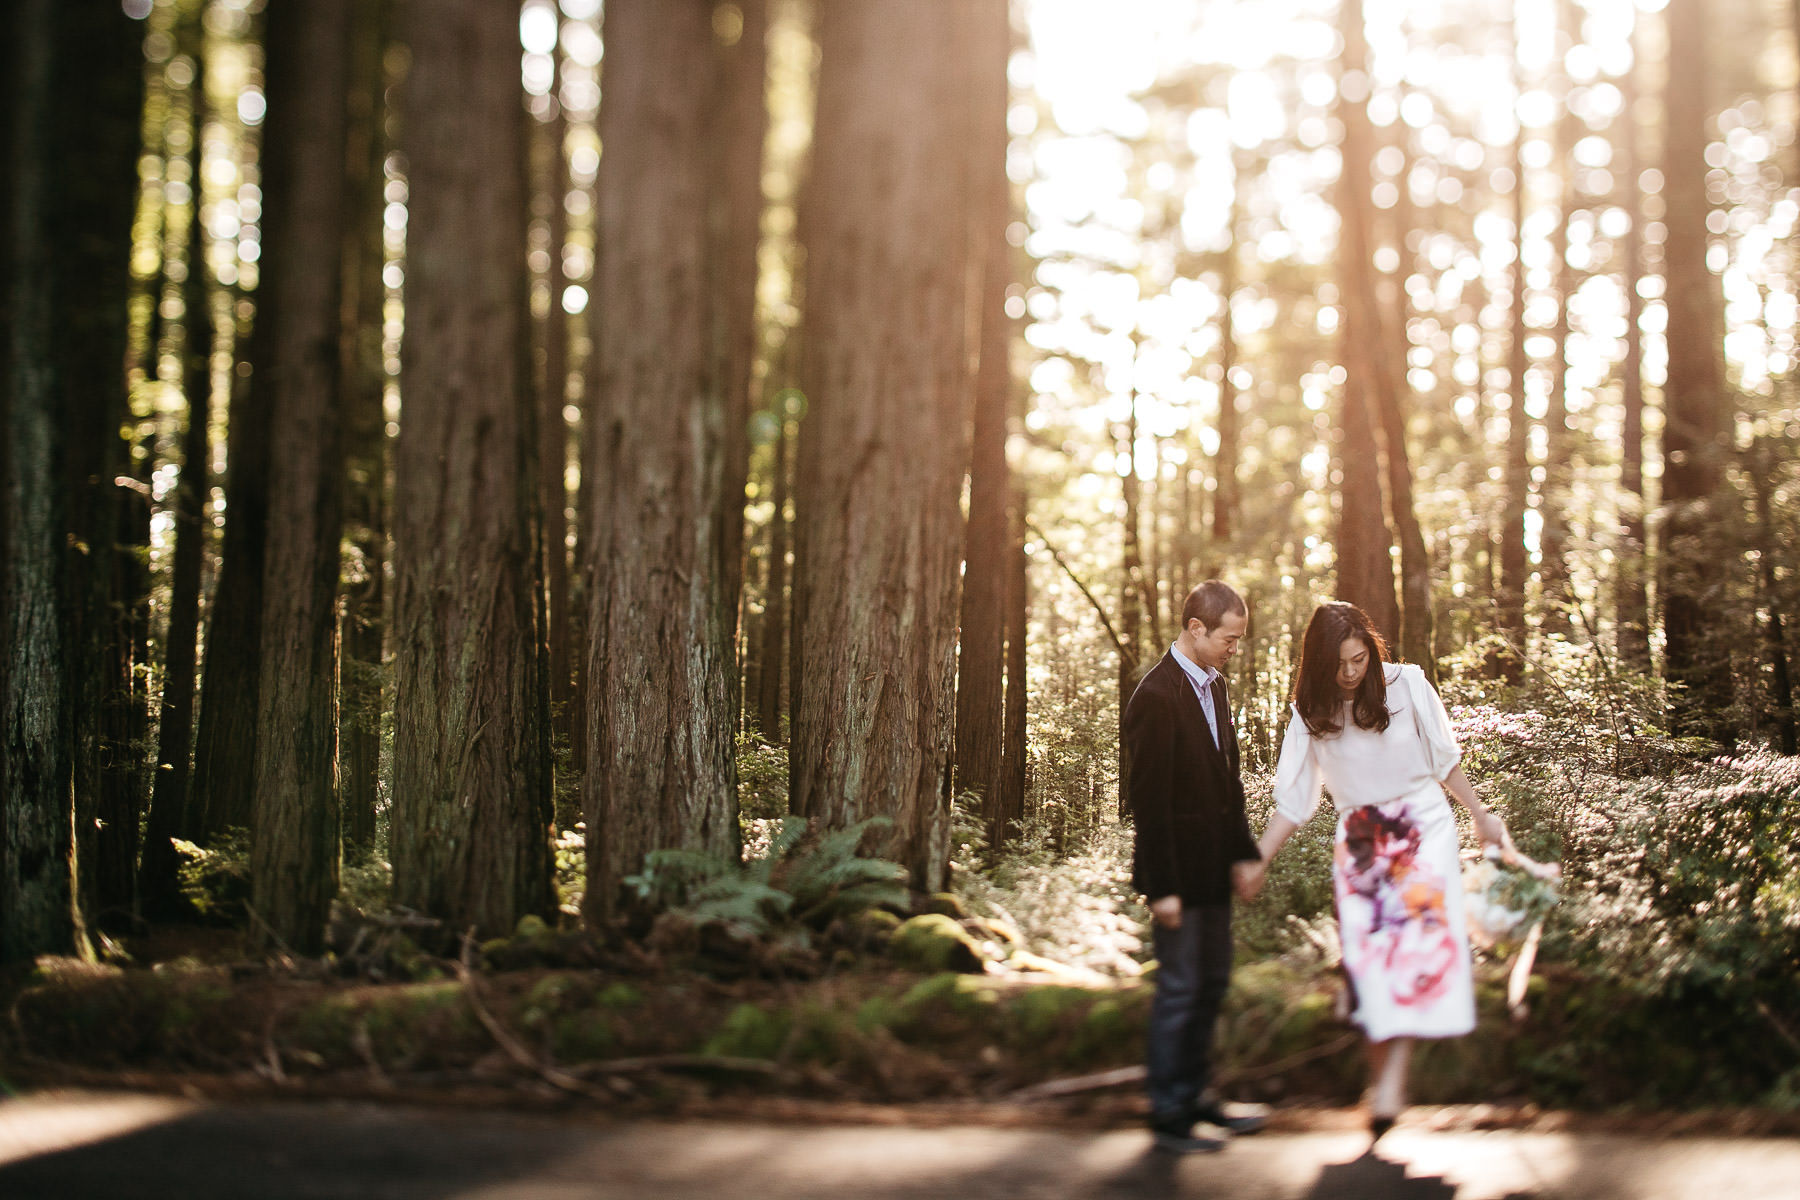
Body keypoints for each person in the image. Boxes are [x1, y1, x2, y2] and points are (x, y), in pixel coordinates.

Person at [1234, 601, 1507, 1140]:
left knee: (1410, 954)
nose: (1352, 672)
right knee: (1367, 963)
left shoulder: (1407, 685)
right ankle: (1381, 1083)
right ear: (1318, 664)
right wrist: (1259, 858)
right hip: (1360, 840)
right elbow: (1293, 801)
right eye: (1339, 664)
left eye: (1360, 659)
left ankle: (1389, 1087)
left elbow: (1443, 757)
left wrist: (1480, 814)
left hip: (1421, 829)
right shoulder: (1309, 712)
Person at [1126, 580, 1270, 1153]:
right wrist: (1161, 888)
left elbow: (1226, 785)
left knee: (1210, 985)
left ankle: (1198, 1097)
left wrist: (1244, 855)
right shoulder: (1155, 697)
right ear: (1196, 629)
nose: (1235, 647)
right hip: (1178, 879)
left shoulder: (1217, 689)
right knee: (1181, 989)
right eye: (1229, 638)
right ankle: (1168, 1113)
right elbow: (1149, 803)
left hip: (1214, 870)